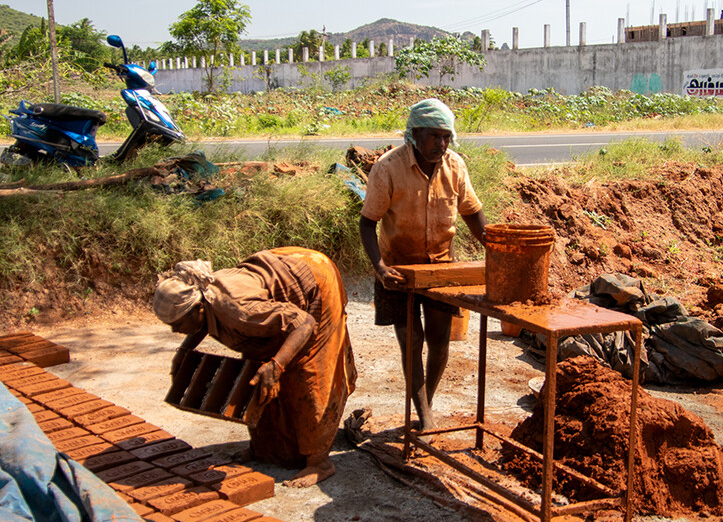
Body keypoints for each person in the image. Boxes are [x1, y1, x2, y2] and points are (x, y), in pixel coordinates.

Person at [152, 247, 356, 487]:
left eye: (177, 324)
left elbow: (303, 323)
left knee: (309, 375)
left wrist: (278, 364)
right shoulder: (206, 300)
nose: (175, 331)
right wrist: (185, 352)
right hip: (279, 276)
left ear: (199, 308)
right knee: (256, 375)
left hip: (315, 281)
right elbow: (202, 322)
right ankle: (264, 449)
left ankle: (319, 462)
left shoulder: (241, 312)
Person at [359, 98, 487, 433]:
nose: (441, 144)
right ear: (415, 134)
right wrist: (380, 267)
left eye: (446, 137)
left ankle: (424, 402)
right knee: (411, 341)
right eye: (433, 136)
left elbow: (471, 213)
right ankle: (425, 415)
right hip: (398, 269)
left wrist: (495, 248)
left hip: (441, 266)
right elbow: (367, 223)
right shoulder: (388, 168)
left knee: (440, 341)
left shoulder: (455, 166)